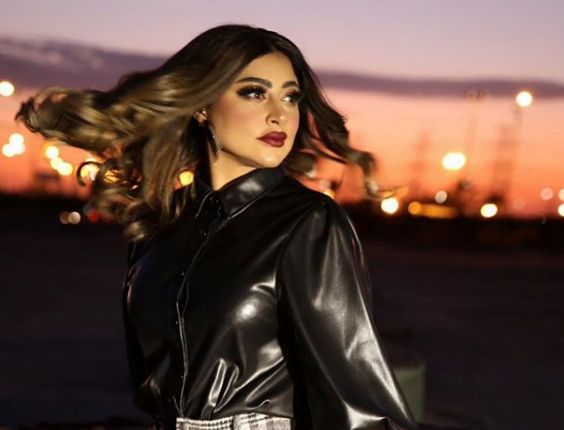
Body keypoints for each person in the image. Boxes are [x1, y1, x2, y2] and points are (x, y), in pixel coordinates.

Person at [16, 24, 419, 430]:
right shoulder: (160, 223)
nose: (279, 114)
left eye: (291, 97)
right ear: (202, 105)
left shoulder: (308, 222)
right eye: (255, 93)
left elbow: (357, 396)